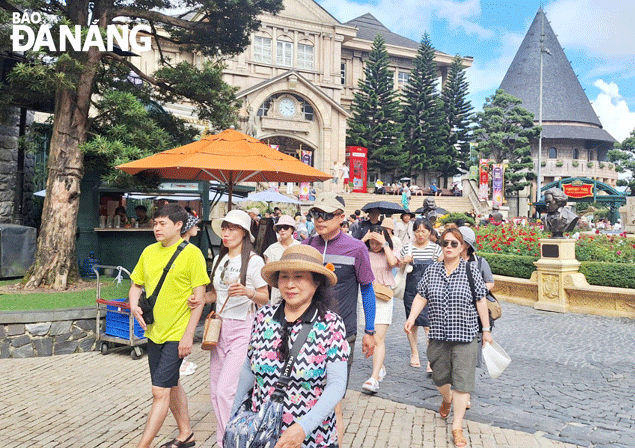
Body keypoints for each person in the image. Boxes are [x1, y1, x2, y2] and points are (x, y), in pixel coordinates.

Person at [231, 245, 349, 448]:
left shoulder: (331, 324)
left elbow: (337, 385)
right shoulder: (264, 317)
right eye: (284, 277)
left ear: (316, 282)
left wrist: (304, 427)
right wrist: (233, 416)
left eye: (299, 277)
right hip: (262, 434)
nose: (290, 284)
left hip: (311, 437)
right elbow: (248, 369)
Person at [129, 204, 210, 448]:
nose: (156, 228)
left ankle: (143, 445)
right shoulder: (149, 252)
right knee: (171, 384)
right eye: (155, 223)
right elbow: (136, 284)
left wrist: (188, 336)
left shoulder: (192, 254)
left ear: (178, 226)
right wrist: (134, 306)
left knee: (159, 392)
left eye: (162, 223)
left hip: (177, 332)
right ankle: (186, 434)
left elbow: (200, 297)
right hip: (155, 332)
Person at [404, 228, 493, 448]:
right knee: (439, 377)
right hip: (438, 334)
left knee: (462, 383)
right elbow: (421, 295)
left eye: (455, 244)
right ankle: (446, 398)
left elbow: (481, 301)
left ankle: (457, 426)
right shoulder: (432, 271)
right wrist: (412, 317)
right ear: (441, 246)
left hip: (466, 335)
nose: (450, 247)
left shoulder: (471, 271)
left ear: (463, 247)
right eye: (446, 243)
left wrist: (486, 330)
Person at [189, 209, 269, 447]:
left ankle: (230, 441)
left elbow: (265, 296)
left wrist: (247, 291)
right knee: (215, 391)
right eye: (224, 228)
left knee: (226, 391)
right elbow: (216, 294)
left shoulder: (254, 261)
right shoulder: (221, 259)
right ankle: (224, 437)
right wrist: (201, 299)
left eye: (232, 228)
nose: (226, 233)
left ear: (244, 233)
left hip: (243, 328)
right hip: (219, 329)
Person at [303, 192, 376, 445]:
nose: (319, 220)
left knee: (333, 400)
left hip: (342, 334)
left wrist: (370, 330)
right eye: (315, 214)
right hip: (305, 331)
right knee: (305, 394)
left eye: (325, 215)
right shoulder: (306, 246)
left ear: (340, 217)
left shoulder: (356, 248)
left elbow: (367, 289)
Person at [399, 218, 442, 373]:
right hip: (411, 290)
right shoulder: (407, 248)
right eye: (417, 231)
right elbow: (399, 267)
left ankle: (431, 358)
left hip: (431, 291)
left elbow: (442, 268)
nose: (420, 234)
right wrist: (404, 261)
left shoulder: (436, 249)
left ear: (430, 232)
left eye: (423, 231)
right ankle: (414, 353)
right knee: (412, 323)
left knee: (429, 325)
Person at [360, 225, 398, 393]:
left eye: (377, 242)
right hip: (366, 298)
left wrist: (384, 244)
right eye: (372, 242)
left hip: (383, 298)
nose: (374, 246)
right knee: (371, 335)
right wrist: (364, 240)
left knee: (379, 339)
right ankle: (380, 366)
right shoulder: (364, 251)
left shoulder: (389, 250)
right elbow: (352, 255)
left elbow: (392, 263)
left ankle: (374, 378)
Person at [179, 212, 203, 377]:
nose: (197, 228)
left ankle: (181, 362)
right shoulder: (189, 250)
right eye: (194, 225)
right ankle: (180, 363)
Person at [263, 215, 301, 304]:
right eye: (279, 228)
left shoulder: (300, 246)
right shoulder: (271, 249)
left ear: (292, 229)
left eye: (285, 227)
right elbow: (268, 272)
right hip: (277, 290)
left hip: (296, 289)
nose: (282, 230)